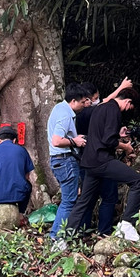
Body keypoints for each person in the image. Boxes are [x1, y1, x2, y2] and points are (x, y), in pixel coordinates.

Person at [65, 87, 140, 244]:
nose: (128, 110)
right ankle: (127, 225)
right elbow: (108, 140)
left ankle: (64, 239)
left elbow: (101, 134)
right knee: (139, 182)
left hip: (89, 161)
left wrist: (118, 134)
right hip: (102, 160)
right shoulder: (114, 110)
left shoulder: (101, 107)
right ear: (128, 101)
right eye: (130, 107)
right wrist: (125, 146)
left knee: (84, 201)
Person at [46, 83, 89, 243]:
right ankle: (57, 237)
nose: (85, 105)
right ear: (73, 101)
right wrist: (74, 141)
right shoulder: (65, 115)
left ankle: (64, 233)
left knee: (69, 199)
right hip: (65, 160)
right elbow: (56, 141)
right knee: (69, 201)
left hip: (58, 160)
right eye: (83, 102)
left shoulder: (59, 108)